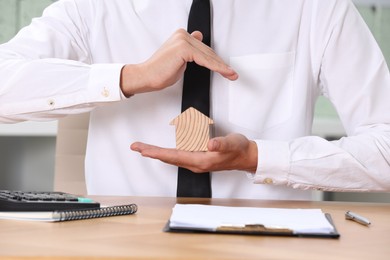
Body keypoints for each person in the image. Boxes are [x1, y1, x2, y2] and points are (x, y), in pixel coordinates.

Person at [0, 0, 389, 199]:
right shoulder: (96, 7)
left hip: (266, 243)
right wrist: (131, 76)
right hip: (123, 243)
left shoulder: (316, 9)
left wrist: (258, 157)